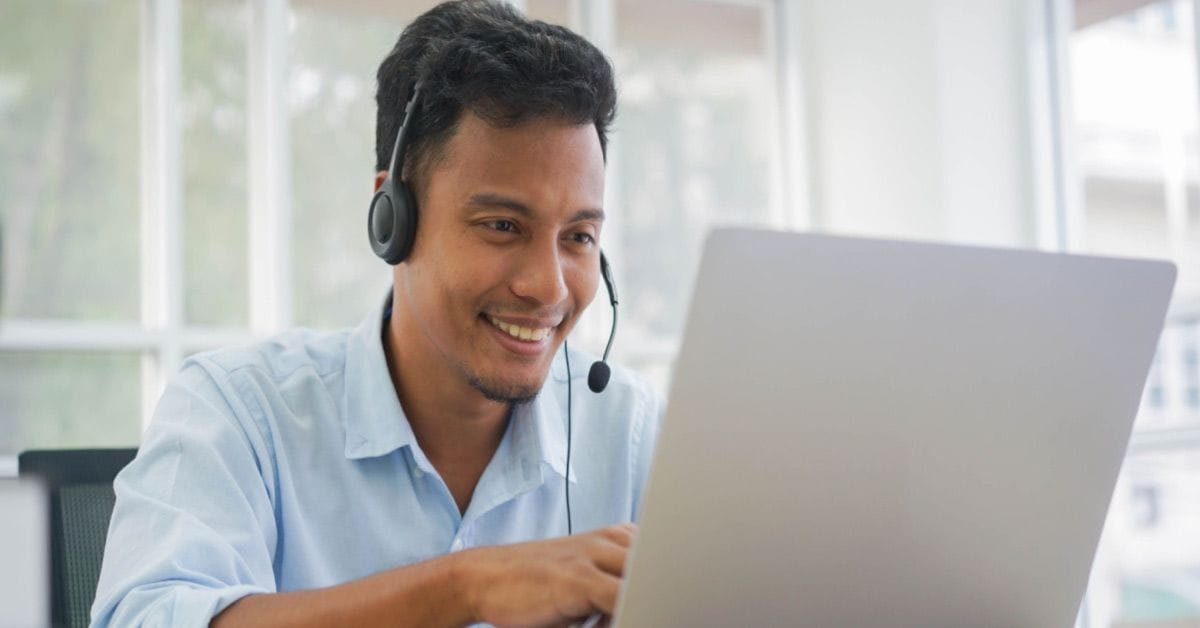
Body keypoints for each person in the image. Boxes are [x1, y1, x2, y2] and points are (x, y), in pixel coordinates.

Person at [91, 2, 662, 626]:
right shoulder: (238, 412)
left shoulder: (633, 434)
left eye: (578, 237)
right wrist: (461, 588)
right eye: (503, 225)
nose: (547, 287)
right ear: (394, 217)